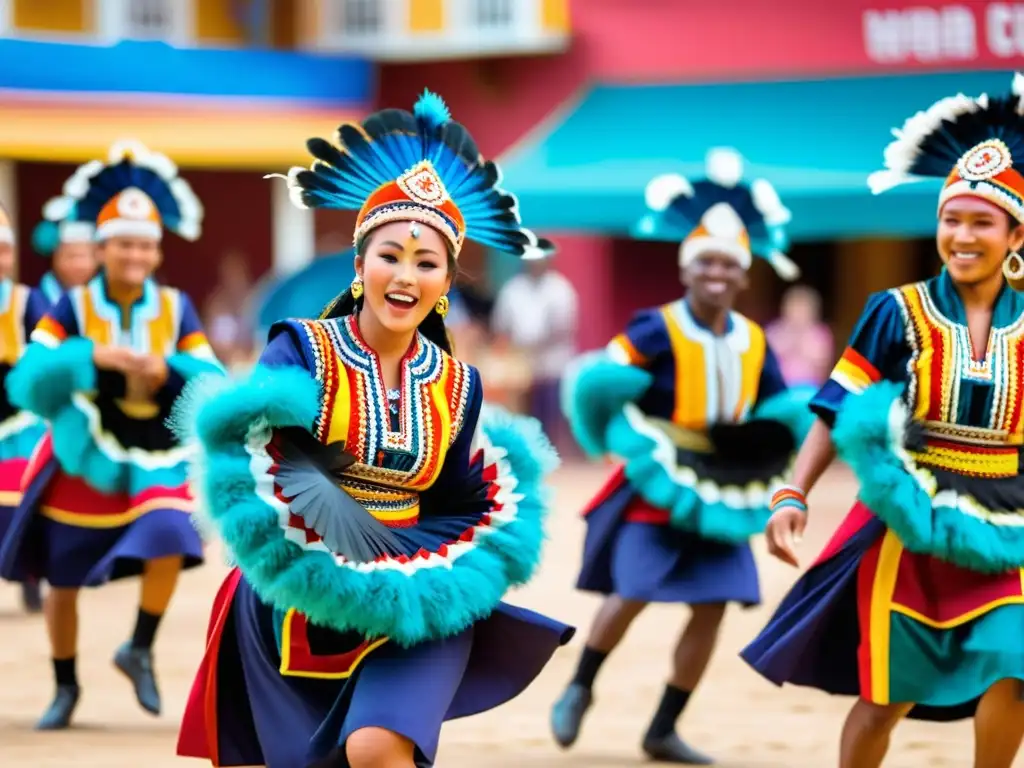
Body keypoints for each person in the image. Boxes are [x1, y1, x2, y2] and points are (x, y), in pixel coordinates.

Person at [174, 89, 574, 768]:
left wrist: (479, 559)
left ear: (446, 282)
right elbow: (261, 459)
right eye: (390, 255)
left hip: (419, 593)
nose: (406, 275)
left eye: (428, 263)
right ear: (358, 266)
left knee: (376, 750)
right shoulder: (299, 350)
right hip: (296, 592)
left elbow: (455, 501)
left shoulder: (459, 386)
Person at [741, 73, 1024, 768]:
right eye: (950, 219)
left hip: (1012, 527)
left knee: (1015, 665)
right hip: (911, 526)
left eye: (981, 222)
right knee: (883, 701)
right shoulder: (896, 312)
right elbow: (836, 406)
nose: (961, 235)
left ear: (1016, 232)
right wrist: (791, 492)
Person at [550, 148, 813, 764]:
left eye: (730, 264)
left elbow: (776, 408)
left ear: (744, 275)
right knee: (634, 587)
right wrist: (612, 426)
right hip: (662, 472)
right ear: (688, 272)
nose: (718, 273)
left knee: (714, 604)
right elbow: (601, 377)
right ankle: (581, 685)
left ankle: (663, 727)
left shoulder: (754, 340)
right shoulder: (655, 327)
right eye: (707, 263)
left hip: (726, 483)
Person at [0, 140, 220, 730]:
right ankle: (65, 683)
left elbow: (212, 377)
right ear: (100, 249)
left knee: (175, 531)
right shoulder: (68, 308)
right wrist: (93, 355)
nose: (135, 254)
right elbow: (29, 377)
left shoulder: (176, 308)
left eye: (146, 244)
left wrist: (165, 369)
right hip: (82, 453)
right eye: (124, 243)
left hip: (154, 451)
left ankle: (139, 646)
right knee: (62, 577)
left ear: (156, 250)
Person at [0, 204, 49, 613]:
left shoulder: (26, 301)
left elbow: (48, 356)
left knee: (19, 500)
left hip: (18, 424)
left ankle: (30, 576)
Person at [491, 250, 577, 454]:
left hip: (552, 361)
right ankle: (528, 452)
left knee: (549, 412)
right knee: (524, 413)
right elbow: (502, 324)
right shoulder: (514, 289)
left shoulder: (560, 288)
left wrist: (537, 341)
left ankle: (551, 453)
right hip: (522, 363)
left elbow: (564, 325)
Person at [764, 285, 834, 386]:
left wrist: (802, 342)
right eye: (794, 307)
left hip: (808, 389)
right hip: (777, 389)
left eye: (802, 309)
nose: (797, 314)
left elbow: (822, 363)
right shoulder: (774, 331)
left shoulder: (820, 334)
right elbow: (766, 362)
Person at [31, 208, 98, 305]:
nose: (78, 265)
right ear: (55, 259)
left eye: (83, 257)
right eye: (71, 257)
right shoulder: (33, 301)